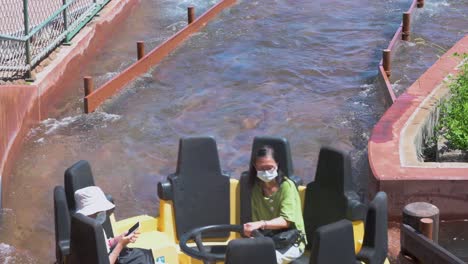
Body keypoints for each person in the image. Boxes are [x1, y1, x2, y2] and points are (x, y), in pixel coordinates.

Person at [243, 146, 306, 264]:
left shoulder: (287, 187)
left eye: (269, 167)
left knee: (267, 259)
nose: (266, 172)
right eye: (262, 168)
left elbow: (286, 221)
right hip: (268, 239)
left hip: (291, 241)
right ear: (255, 167)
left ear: (277, 164)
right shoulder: (256, 189)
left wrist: (262, 224)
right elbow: (256, 220)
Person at [74, 186, 155, 264]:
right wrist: (120, 245)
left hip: (109, 255)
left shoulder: (93, 226)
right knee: (143, 258)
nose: (102, 214)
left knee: (142, 255)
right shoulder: (86, 236)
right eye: (98, 212)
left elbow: (105, 245)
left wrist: (118, 239)